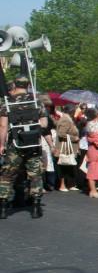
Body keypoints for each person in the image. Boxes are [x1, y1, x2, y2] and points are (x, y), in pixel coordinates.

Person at [0, 78, 52, 219]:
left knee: (6, 175)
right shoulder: (36, 102)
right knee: (35, 176)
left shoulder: (8, 103)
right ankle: (35, 207)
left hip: (15, 144)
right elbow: (44, 124)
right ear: (28, 86)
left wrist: (1, 145)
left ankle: (3, 208)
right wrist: (31, 126)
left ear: (15, 85)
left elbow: (3, 127)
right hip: (33, 144)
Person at [54, 103, 80, 192]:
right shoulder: (66, 119)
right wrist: (74, 138)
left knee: (69, 166)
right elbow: (61, 134)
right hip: (64, 146)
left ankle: (70, 184)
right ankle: (62, 185)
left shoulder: (68, 119)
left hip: (68, 147)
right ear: (71, 111)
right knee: (63, 165)